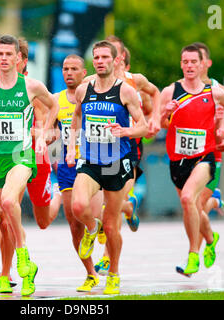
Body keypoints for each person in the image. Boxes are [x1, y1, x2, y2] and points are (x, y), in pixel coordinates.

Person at [0, 35, 58, 296]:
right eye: (0, 54)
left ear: (18, 58)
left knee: (7, 203)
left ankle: (22, 254)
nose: (4, 58)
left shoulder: (31, 86)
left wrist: (42, 136)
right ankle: (24, 268)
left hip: (21, 156)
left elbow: (54, 106)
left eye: (9, 54)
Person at [66, 40, 148, 294]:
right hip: (90, 160)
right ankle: (92, 228)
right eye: (96, 57)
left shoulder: (126, 91)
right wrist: (70, 148)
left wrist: (126, 131)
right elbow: (77, 119)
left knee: (112, 225)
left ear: (115, 61)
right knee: (78, 205)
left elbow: (143, 126)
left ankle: (113, 273)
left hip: (116, 164)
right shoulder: (83, 89)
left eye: (104, 57)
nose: (100, 61)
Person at [159, 44, 224, 276]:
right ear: (181, 64)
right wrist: (165, 113)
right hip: (178, 159)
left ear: (203, 64)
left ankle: (193, 255)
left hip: (204, 157)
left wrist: (222, 128)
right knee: (191, 207)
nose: (189, 66)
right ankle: (211, 239)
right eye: (185, 62)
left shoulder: (214, 91)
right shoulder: (169, 91)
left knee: (190, 198)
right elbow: (161, 125)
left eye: (194, 62)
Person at [91, 36, 161, 276]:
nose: (104, 58)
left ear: (119, 57)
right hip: (100, 151)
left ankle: (107, 258)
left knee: (112, 202)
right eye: (99, 55)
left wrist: (154, 118)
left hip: (130, 149)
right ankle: (129, 208)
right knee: (108, 203)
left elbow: (155, 94)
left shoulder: (135, 81)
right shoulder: (95, 83)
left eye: (110, 54)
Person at [53, 54, 104, 292]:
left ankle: (111, 267)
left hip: (93, 163)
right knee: (74, 223)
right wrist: (48, 144)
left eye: (74, 68)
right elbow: (47, 128)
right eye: (65, 68)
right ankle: (91, 273)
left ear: (84, 73)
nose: (68, 73)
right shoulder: (55, 100)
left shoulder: (94, 95)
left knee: (96, 216)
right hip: (66, 166)